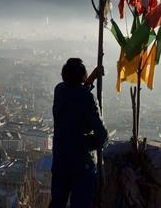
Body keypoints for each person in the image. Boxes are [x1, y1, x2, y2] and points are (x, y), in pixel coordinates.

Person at [50, 57, 108, 208]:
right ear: (82, 77)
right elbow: (102, 137)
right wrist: (83, 144)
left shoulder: (60, 91)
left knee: (57, 202)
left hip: (60, 160)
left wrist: (90, 80)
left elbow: (74, 95)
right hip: (81, 165)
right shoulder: (87, 98)